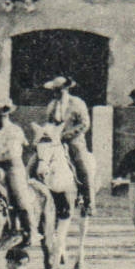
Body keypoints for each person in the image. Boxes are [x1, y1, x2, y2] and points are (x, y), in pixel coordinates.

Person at [44, 75, 94, 215]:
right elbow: (48, 123)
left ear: (66, 89)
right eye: (54, 90)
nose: (56, 93)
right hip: (54, 140)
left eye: (58, 90)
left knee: (81, 164)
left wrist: (66, 135)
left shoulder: (77, 103)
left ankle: (88, 201)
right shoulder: (52, 105)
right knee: (37, 160)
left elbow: (84, 124)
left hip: (73, 140)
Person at [0, 103, 34, 241]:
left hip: (13, 167)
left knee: (19, 198)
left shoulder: (14, 131)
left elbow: (11, 153)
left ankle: (30, 230)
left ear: (4, 117)